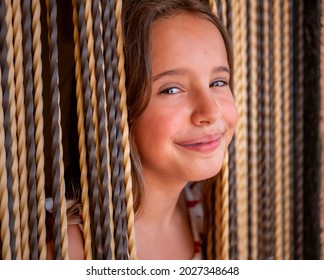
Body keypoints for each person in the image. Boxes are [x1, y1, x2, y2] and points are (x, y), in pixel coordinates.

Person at [46, 0, 237, 260]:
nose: (210, 112)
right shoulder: (73, 250)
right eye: (171, 89)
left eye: (218, 82)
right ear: (117, 107)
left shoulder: (207, 216)